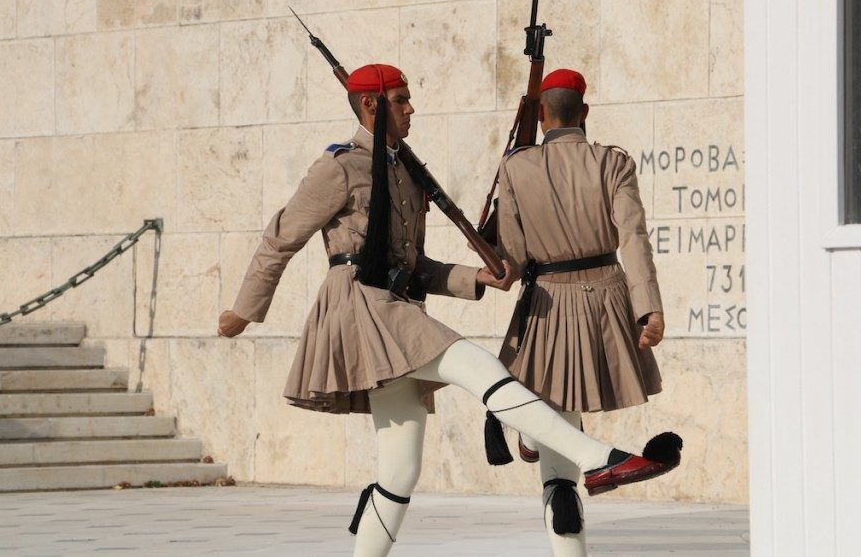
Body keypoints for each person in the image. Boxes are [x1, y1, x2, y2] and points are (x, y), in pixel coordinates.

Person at [217, 64, 675, 557]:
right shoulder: (339, 167)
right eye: (401, 100)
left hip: (396, 308)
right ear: (371, 104)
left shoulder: (406, 172)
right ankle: (595, 457)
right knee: (480, 366)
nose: (411, 108)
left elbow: (416, 266)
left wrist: (474, 277)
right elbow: (281, 237)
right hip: (358, 306)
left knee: (399, 473)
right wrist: (244, 310)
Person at [492, 68, 674, 556]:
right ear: (584, 112)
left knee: (555, 426)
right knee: (562, 423)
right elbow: (633, 238)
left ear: (541, 114)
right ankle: (539, 439)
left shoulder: (516, 167)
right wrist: (649, 309)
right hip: (606, 303)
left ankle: (536, 439)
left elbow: (513, 257)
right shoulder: (612, 162)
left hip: (548, 303)